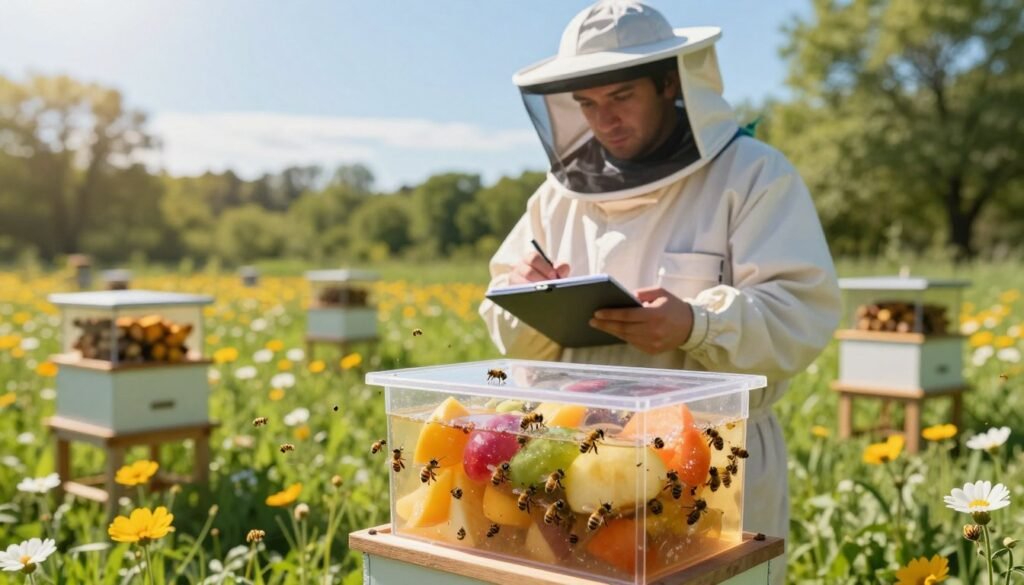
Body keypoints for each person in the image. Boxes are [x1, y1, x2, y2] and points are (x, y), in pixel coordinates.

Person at [478, 1, 842, 582]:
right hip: (575, 462)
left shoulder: (753, 176)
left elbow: (802, 311)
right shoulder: (556, 198)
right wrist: (527, 297)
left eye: (621, 96)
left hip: (712, 463)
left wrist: (699, 325)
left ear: (670, 82)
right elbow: (500, 309)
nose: (604, 120)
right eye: (588, 104)